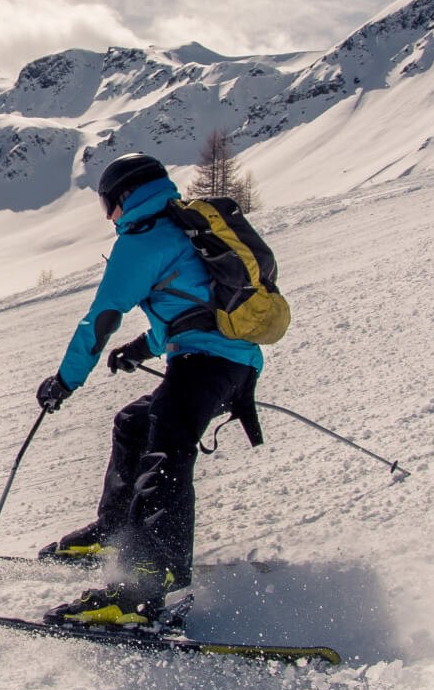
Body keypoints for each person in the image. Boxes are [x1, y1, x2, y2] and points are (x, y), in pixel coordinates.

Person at [32, 153, 264, 627]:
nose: (109, 217)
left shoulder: (142, 239)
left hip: (208, 363)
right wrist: (142, 347)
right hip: (227, 362)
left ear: (123, 198)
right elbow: (194, 306)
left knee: (167, 451)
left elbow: (101, 317)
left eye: (107, 206)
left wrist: (65, 381)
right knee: (135, 422)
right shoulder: (180, 226)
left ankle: (142, 587)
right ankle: (115, 530)